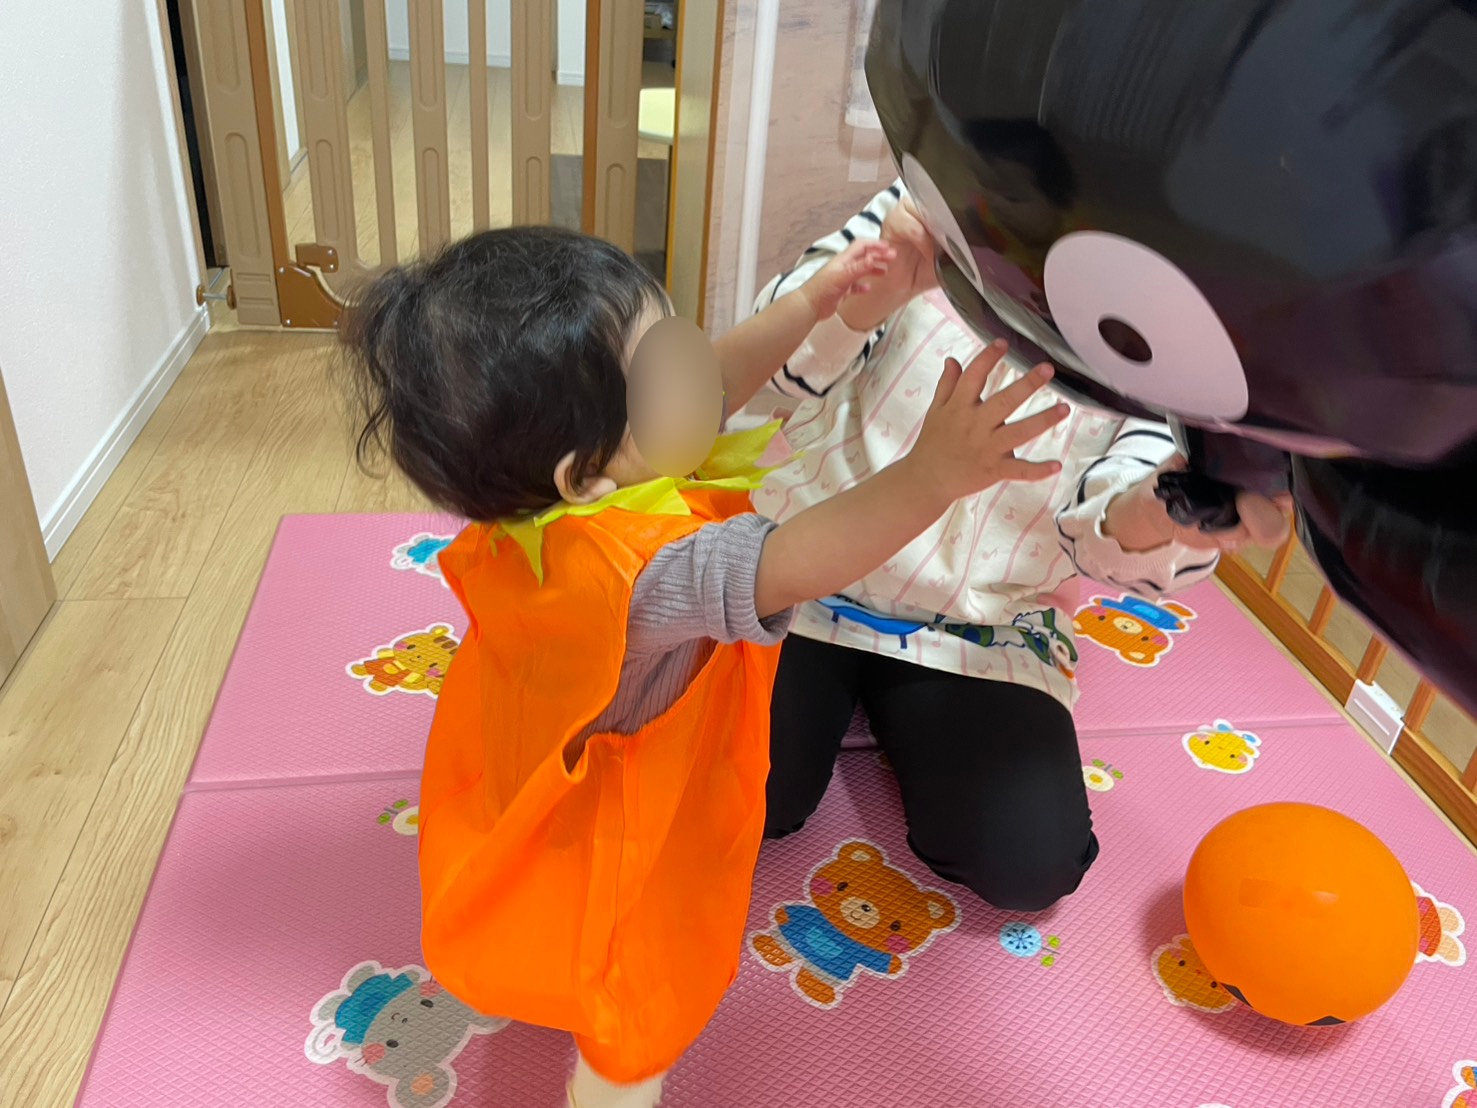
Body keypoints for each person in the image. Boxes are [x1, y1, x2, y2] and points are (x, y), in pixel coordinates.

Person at [341, 225, 1070, 1108]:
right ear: (584, 475)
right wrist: (931, 476)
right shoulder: (648, 574)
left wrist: (812, 302)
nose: (696, 376)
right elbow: (799, 558)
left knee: (538, 913)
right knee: (637, 992)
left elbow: (712, 382)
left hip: (529, 752)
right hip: (621, 827)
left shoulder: (555, 496)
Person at [747, 182, 1289, 913]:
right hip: (809, 565)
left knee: (1029, 861)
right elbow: (774, 369)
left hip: (982, 623)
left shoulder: (1177, 325)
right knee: (747, 798)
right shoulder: (942, 190)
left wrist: (1167, 512)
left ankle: (888, 708)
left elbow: (1105, 524)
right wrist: (874, 292)